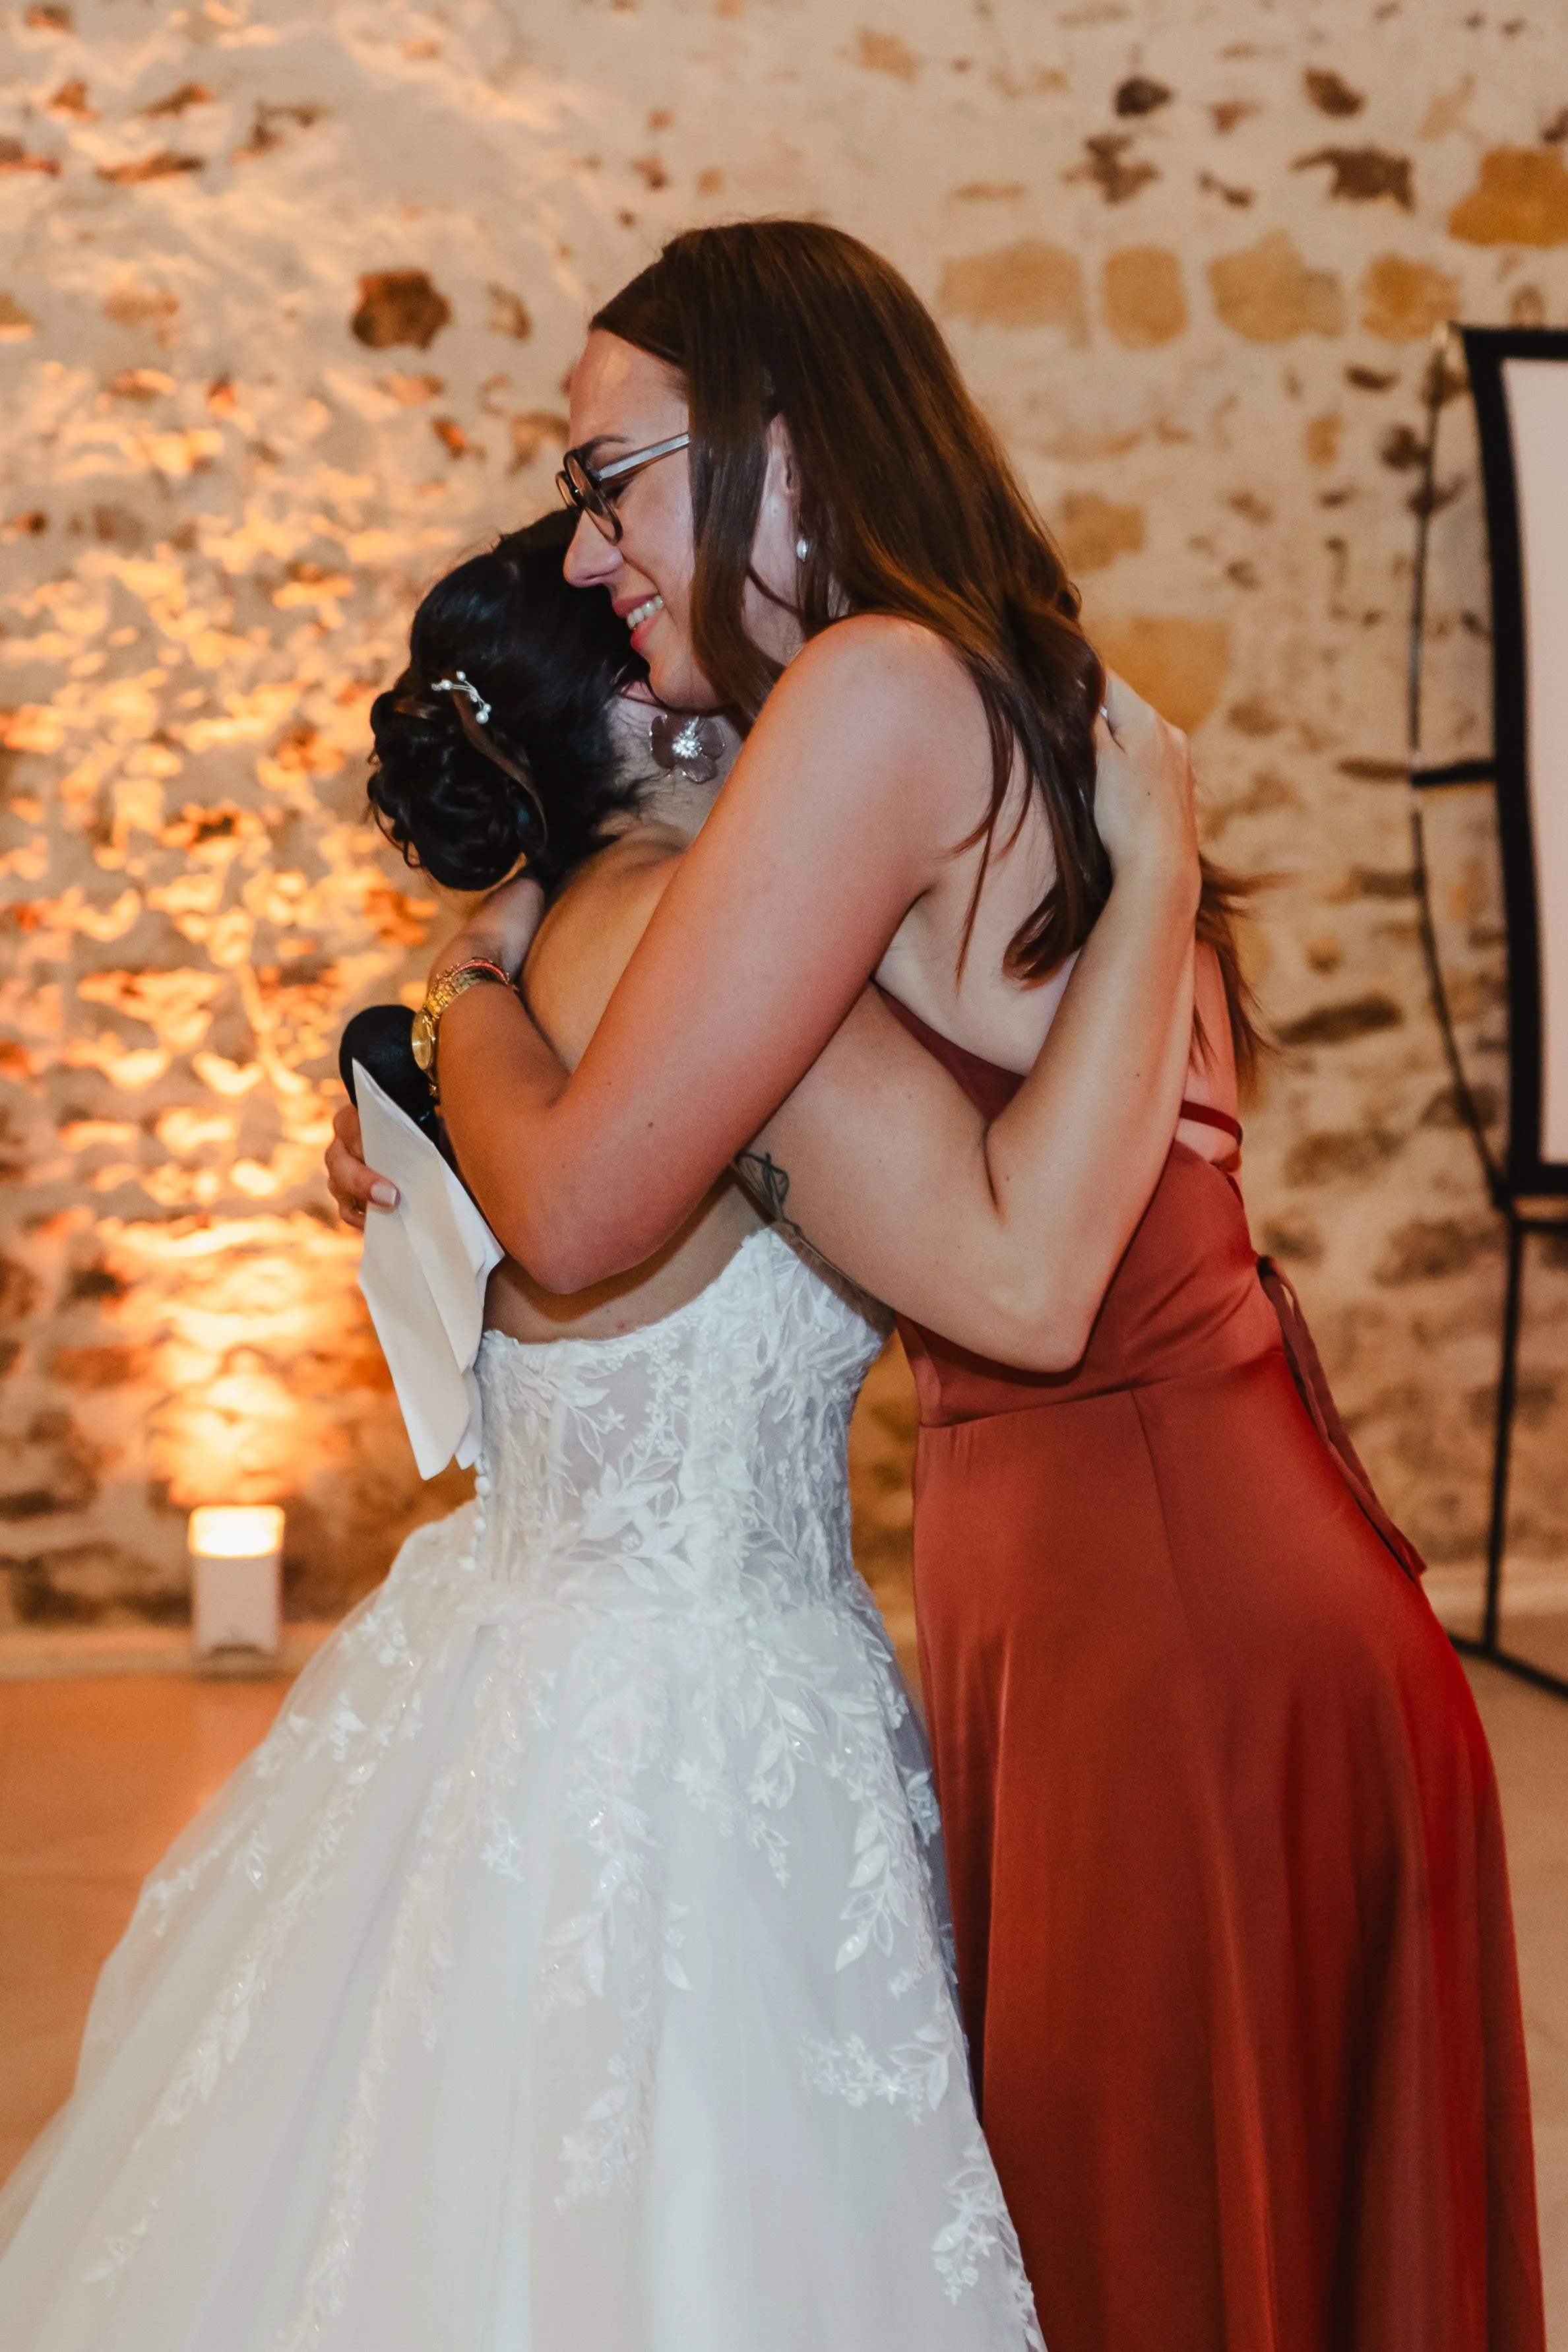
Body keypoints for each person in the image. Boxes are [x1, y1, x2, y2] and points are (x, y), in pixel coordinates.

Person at [331, 222, 1544, 2352]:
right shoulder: (966, 684)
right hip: (1158, 1553)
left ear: (781, 456)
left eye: (612, 479)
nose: (588, 549)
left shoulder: (877, 693)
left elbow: (604, 1205)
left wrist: (452, 1011)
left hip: (1149, 1588)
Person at [0, 508, 1203, 2352]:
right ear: (684, 727)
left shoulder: (532, 961)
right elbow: (1015, 1262)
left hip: (496, 1651)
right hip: (701, 1713)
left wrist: (453, 993)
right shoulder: (728, 979)